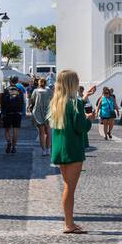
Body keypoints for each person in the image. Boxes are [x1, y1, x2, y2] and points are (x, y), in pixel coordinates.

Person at [49, 70, 92, 234]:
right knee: (70, 188)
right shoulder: (75, 103)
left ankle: (69, 222)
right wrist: (89, 119)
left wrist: (85, 98)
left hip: (60, 149)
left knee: (67, 186)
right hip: (73, 148)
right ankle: (69, 224)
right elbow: (81, 127)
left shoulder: (56, 102)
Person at [0, 76, 27, 155]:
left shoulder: (5, 90)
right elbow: (23, 102)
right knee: (16, 130)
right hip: (17, 113)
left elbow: (1, 103)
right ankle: (14, 146)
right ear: (17, 81)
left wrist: (2, 111)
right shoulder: (20, 90)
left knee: (7, 130)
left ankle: (8, 141)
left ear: (10, 81)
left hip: (7, 112)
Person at [30, 77, 52, 152]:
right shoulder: (49, 90)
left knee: (41, 133)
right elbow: (53, 100)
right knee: (48, 132)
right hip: (47, 111)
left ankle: (43, 150)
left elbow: (32, 101)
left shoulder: (35, 91)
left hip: (38, 112)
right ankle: (48, 149)